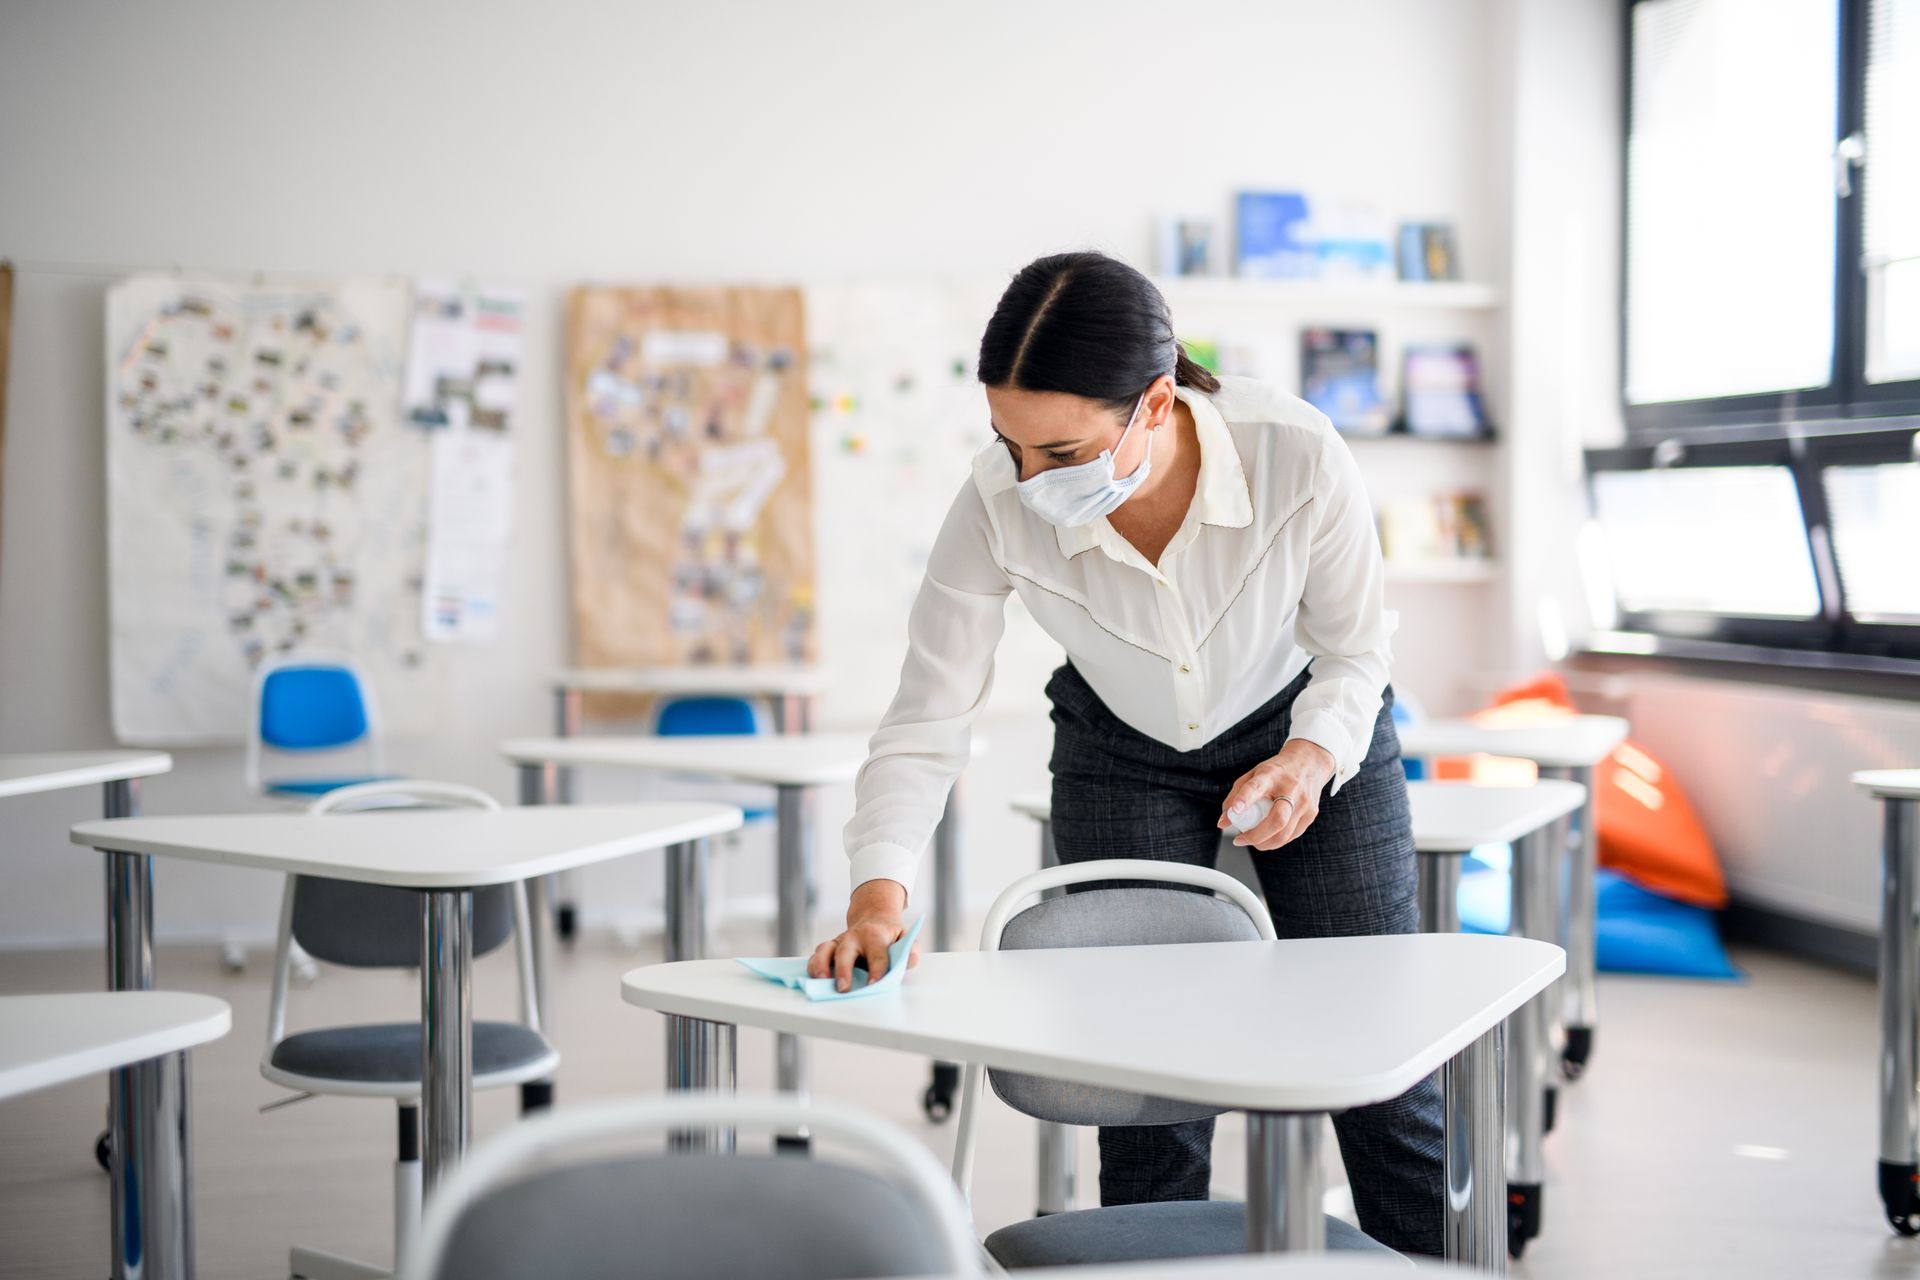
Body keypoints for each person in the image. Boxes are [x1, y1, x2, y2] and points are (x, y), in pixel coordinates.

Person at [807, 250, 1440, 1254]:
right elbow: (929, 712)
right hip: (1119, 748)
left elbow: (1356, 648)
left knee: (1384, 1068)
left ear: (1156, 402)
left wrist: (1312, 758)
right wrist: (878, 889)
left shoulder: (1296, 452)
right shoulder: (993, 504)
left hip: (1306, 731)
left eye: (1061, 452)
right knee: (1145, 1080)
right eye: (1007, 443)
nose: (1028, 478)